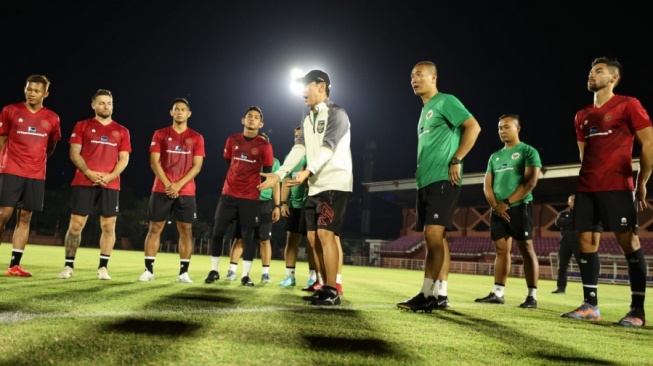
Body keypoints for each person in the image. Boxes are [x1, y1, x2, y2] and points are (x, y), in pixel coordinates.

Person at [561, 57, 653, 327]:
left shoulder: (628, 104)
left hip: (618, 186)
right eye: (590, 71)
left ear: (613, 78)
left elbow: (648, 144)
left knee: (629, 245)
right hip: (588, 188)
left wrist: (642, 180)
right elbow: (584, 156)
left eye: (598, 71)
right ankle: (590, 306)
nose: (592, 74)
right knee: (586, 244)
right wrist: (582, 187)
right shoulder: (581, 115)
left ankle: (637, 312)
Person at [259, 69, 353, 306]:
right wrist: (279, 174)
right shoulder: (308, 119)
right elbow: (298, 149)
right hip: (314, 186)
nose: (302, 92)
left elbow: (328, 147)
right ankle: (323, 285)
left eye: (306, 86)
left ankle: (333, 289)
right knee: (312, 239)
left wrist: (308, 171)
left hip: (335, 183)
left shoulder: (337, 113)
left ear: (321, 86)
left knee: (325, 234)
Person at [396, 61, 481, 312]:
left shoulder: (446, 101)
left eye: (420, 75)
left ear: (434, 78)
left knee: (433, 235)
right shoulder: (424, 112)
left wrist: (457, 159)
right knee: (437, 238)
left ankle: (427, 295)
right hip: (426, 180)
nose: (414, 79)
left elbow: (473, 127)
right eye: (412, 75)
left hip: (444, 178)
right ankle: (441, 293)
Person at [56, 89, 131, 280]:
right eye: (102, 103)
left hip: (110, 184)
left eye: (109, 103)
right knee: (76, 225)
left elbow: (124, 159)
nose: (106, 106)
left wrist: (110, 176)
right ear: (93, 105)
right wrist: (89, 172)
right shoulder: (82, 126)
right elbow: (74, 153)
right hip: (83, 181)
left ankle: (103, 268)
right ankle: (68, 266)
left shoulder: (122, 131)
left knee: (108, 226)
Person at [204, 106, 277, 287]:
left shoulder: (265, 146)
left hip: (251, 197)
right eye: (249, 116)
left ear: (261, 124)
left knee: (248, 236)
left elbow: (267, 174)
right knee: (218, 232)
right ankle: (214, 271)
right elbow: (230, 163)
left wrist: (253, 187)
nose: (252, 119)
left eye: (256, 117)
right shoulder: (232, 139)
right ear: (242, 120)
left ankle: (245, 275)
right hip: (228, 194)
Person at [474, 114, 541, 308]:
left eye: (506, 127)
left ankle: (531, 296)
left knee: (526, 249)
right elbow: (487, 185)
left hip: (520, 207)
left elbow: (530, 183)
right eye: (499, 128)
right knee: (501, 250)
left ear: (518, 128)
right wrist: (496, 206)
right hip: (497, 210)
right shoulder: (494, 157)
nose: (502, 131)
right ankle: (498, 293)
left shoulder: (528, 151)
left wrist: (507, 203)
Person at [137, 98, 205, 283]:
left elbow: (197, 166)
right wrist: (169, 184)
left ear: (189, 114)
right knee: (155, 228)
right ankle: (148, 271)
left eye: (183, 110)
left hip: (186, 190)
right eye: (176, 109)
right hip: (161, 188)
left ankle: (183, 273)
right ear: (171, 112)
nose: (180, 112)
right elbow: (154, 162)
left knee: (186, 230)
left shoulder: (197, 137)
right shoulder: (160, 134)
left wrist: (178, 185)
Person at [0, 75, 61, 277]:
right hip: (10, 170)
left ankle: (15, 265)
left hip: (36, 174)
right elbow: (2, 140)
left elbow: (51, 146)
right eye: (28, 89)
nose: (31, 93)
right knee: (3, 215)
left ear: (45, 94)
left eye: (36, 90)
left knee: (25, 217)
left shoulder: (52, 118)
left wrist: (36, 159)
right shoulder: (10, 110)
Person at [225, 152, 281, 284]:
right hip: (246, 202)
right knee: (240, 238)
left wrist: (277, 205)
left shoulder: (275, 162)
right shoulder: (246, 159)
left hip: (265, 204)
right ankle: (232, 271)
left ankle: (265, 274)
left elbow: (276, 184)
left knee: (265, 240)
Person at [552, 194, 601, 294]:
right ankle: (561, 288)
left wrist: (568, 222)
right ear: (568, 202)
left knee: (583, 265)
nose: (574, 201)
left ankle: (588, 288)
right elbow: (558, 223)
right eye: (572, 200)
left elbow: (579, 224)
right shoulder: (563, 213)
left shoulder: (583, 214)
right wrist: (572, 222)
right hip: (565, 242)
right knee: (562, 266)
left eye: (575, 200)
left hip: (578, 242)